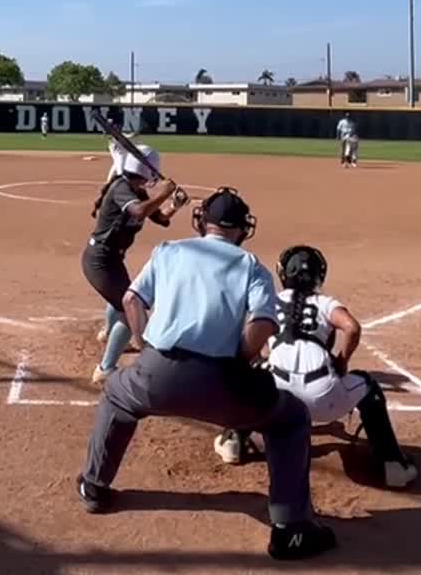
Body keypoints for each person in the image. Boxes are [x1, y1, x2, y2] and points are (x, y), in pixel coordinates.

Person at [78, 188, 336, 562]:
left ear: (202, 221)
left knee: (118, 395)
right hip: (224, 383)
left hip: (156, 373)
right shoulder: (250, 265)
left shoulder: (168, 251)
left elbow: (132, 300)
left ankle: (94, 487)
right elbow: (263, 324)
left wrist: (145, 345)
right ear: (243, 228)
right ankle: (289, 530)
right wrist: (240, 358)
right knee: (291, 419)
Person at [213, 244, 418, 489]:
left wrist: (262, 360)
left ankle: (233, 441)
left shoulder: (271, 300)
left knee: (249, 373)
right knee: (369, 387)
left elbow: (251, 340)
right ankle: (393, 465)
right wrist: (342, 360)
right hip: (325, 398)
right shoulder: (325, 303)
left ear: (283, 274)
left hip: (278, 399)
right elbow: (352, 328)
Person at [84, 146, 182, 383]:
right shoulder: (122, 188)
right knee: (130, 312)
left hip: (112, 260)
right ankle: (105, 369)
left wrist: (175, 204)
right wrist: (164, 193)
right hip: (100, 260)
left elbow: (160, 219)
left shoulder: (136, 191)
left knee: (123, 295)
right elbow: (138, 212)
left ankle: (109, 334)